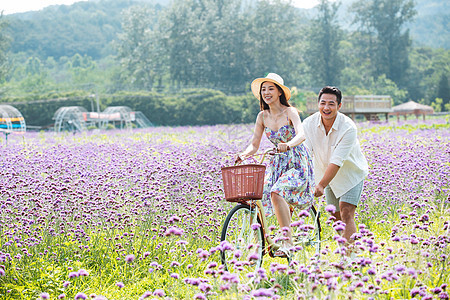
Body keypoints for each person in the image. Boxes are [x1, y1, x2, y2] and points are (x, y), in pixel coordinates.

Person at [236, 73, 315, 257]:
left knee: (277, 192)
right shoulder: (262, 116)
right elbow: (254, 144)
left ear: (280, 92)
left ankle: (287, 242)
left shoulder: (290, 112)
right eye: (263, 89)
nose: (266, 92)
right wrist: (244, 154)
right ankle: (263, 242)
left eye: (271, 88)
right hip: (277, 163)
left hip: (296, 161)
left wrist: (288, 144)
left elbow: (301, 134)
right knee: (256, 195)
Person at [302, 86, 368, 255]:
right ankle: (345, 252)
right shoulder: (308, 124)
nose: (326, 108)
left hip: (349, 174)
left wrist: (321, 185)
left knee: (346, 212)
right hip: (325, 173)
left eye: (331, 104)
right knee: (335, 217)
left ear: (339, 106)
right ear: (318, 105)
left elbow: (337, 161)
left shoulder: (348, 127)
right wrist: (305, 178)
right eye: (323, 103)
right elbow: (305, 153)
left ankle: (353, 258)